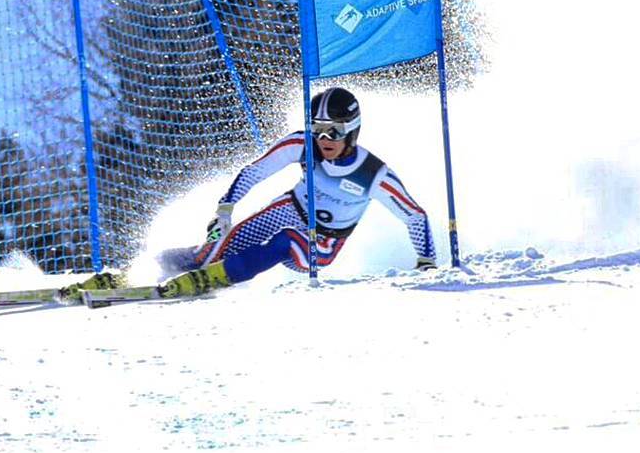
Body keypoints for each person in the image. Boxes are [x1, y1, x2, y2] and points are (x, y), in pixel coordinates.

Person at [154, 86, 437, 298]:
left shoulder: (372, 174)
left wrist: (427, 262)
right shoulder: (302, 144)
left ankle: (214, 279)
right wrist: (225, 209)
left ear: (351, 131)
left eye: (334, 132)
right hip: (289, 209)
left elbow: (414, 215)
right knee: (216, 247)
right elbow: (255, 171)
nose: (324, 139)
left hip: (324, 240)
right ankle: (156, 269)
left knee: (284, 241)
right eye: (318, 129)